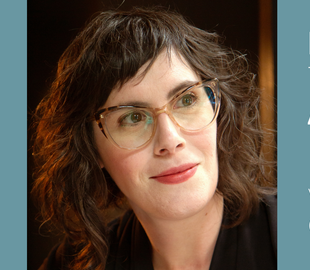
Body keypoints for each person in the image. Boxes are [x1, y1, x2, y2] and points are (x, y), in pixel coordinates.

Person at [32, 6, 276, 270]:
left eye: (186, 100)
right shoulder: (70, 265)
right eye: (133, 118)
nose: (170, 141)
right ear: (91, 148)